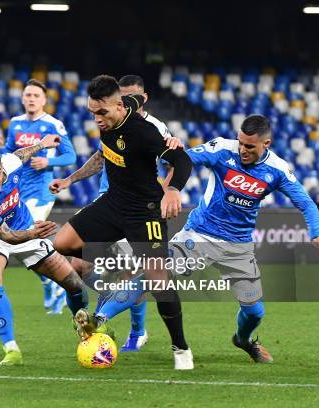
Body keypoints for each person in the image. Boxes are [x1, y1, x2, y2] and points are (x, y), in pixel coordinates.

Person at [49, 75, 194, 369]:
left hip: (145, 211)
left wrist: (173, 190)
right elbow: (138, 100)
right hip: (113, 203)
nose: (96, 119)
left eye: (101, 112)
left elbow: (182, 161)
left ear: (118, 106)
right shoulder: (122, 105)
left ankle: (181, 348)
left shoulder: (143, 133)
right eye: (92, 112)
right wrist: (70, 179)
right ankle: (109, 286)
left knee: (158, 281)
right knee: (61, 244)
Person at [166, 114, 319, 363]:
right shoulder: (222, 149)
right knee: (156, 274)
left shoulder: (277, 169)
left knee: (255, 312)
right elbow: (184, 159)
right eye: (240, 142)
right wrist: (172, 163)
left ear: (267, 144)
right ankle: (98, 320)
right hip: (200, 234)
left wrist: (317, 234)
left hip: (239, 246)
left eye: (249, 146)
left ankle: (243, 340)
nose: (242, 149)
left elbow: (306, 203)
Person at [0, 138, 88, 366]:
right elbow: (6, 236)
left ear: (2, 165)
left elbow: (22, 153)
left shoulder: (10, 162)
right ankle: (11, 350)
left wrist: (42, 144)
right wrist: (35, 234)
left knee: (75, 285)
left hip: (25, 227)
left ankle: (83, 326)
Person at [0, 79, 77, 314]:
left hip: (41, 192)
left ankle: (58, 283)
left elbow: (71, 156)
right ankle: (52, 282)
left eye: (36, 96)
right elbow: (11, 154)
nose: (31, 99)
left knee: (25, 238)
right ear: (22, 98)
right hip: (17, 190)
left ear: (44, 100)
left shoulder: (53, 124)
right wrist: (0, 150)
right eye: (27, 95)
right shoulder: (15, 123)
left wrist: (48, 161)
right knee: (22, 242)